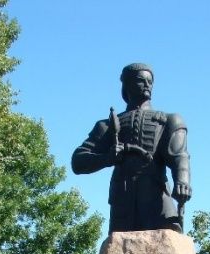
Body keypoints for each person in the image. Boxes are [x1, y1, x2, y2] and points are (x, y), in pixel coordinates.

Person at [72, 63, 191, 233]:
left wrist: (182, 181)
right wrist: (106, 158)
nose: (147, 85)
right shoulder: (107, 126)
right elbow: (78, 161)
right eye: (141, 81)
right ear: (126, 85)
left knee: (170, 237)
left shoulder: (168, 120)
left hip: (156, 195)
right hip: (122, 197)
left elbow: (179, 156)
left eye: (150, 81)